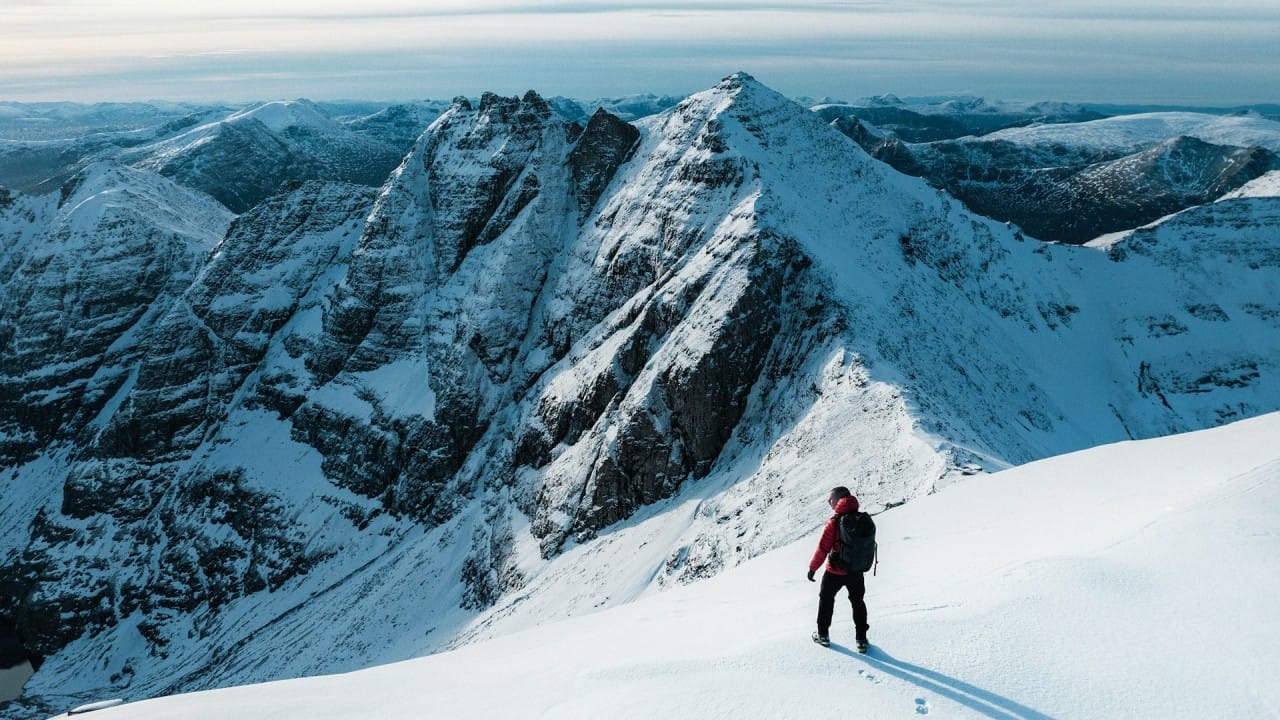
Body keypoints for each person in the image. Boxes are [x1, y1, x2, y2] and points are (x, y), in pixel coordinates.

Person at [807, 486, 869, 651]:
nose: (829, 502)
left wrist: (812, 568)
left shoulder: (834, 522)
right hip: (856, 571)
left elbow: (822, 548)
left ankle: (823, 635)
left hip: (834, 571)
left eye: (831, 499)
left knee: (826, 600)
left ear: (840, 499)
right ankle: (861, 640)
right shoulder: (862, 519)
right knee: (858, 603)